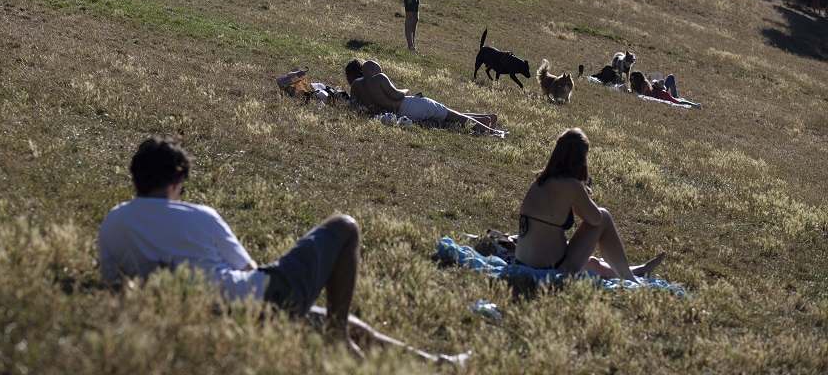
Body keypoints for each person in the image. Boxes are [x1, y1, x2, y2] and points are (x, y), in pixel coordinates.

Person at [99, 137, 470, 364]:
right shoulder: (200, 217)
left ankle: (439, 363)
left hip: (216, 317)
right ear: (178, 179)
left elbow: (117, 289)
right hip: (258, 300)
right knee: (344, 227)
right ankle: (338, 339)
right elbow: (248, 270)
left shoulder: (113, 223)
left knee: (337, 319)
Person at [514, 128, 666, 280]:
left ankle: (637, 271)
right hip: (551, 268)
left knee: (593, 263)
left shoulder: (540, 181)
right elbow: (596, 219)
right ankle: (629, 278)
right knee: (604, 215)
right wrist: (583, 195)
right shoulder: (572, 186)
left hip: (523, 262)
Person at [346, 60, 506, 137]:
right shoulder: (379, 77)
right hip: (411, 105)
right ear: (374, 70)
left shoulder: (356, 85)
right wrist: (406, 89)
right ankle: (494, 132)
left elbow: (354, 106)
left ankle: (485, 119)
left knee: (448, 118)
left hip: (401, 116)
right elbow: (397, 94)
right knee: (453, 115)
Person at [629, 71, 702, 108]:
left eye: (633, 79)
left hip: (661, 95)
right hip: (658, 94)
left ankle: (695, 105)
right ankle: (693, 104)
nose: (631, 81)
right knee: (677, 100)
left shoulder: (644, 84)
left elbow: (642, 94)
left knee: (677, 102)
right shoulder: (636, 85)